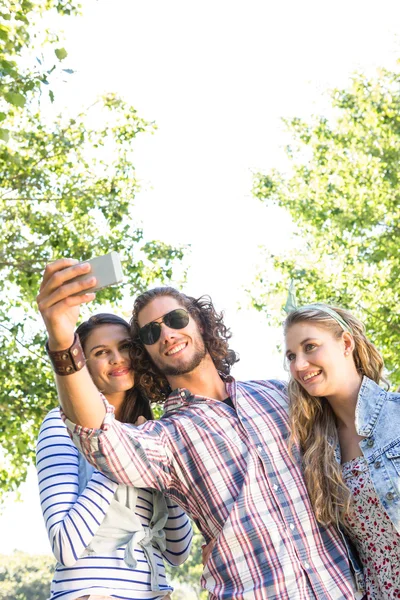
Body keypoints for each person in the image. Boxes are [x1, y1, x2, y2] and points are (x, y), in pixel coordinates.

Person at [37, 258, 363, 600]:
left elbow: (352, 433)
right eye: (151, 332)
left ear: (202, 324)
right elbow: (101, 437)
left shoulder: (280, 395)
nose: (167, 333)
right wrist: (62, 340)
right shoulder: (164, 438)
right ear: (146, 354)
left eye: (177, 319)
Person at [36, 312, 192, 600]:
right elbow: (65, 546)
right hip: (92, 592)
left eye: (125, 348)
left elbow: (178, 552)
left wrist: (160, 459)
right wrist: (117, 453)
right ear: (82, 366)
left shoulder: (155, 430)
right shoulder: (60, 425)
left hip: (157, 592)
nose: (117, 358)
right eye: (101, 352)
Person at [284, 303, 400, 600]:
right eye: (291, 356)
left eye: (310, 347)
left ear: (346, 343)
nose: (299, 365)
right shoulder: (315, 453)